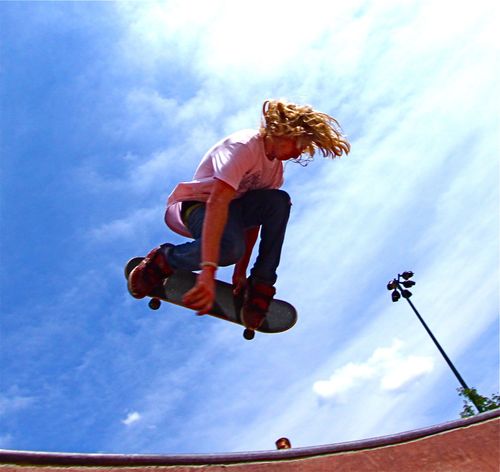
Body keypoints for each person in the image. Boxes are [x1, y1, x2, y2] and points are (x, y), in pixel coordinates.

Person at [128, 99, 350, 331]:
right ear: (285, 133)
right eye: (299, 146)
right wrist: (208, 270)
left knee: (279, 202)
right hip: (199, 205)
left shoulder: (274, 173)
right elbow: (218, 201)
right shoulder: (244, 146)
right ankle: (164, 260)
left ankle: (261, 285)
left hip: (232, 213)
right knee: (229, 249)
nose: (297, 154)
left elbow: (252, 225)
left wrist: (240, 272)